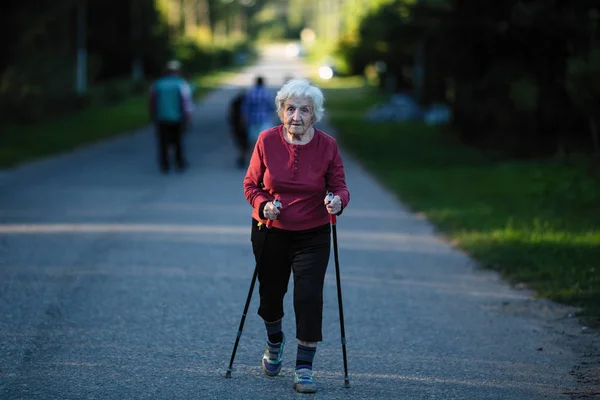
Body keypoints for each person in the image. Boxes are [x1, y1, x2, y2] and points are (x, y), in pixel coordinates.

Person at [243, 79, 350, 393]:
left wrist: (337, 201)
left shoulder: (327, 145)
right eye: (290, 108)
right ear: (281, 111)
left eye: (304, 110)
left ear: (314, 115)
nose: (296, 116)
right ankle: (274, 340)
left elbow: (340, 186)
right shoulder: (265, 140)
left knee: (308, 297)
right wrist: (263, 206)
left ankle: (304, 367)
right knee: (271, 296)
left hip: (313, 233)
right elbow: (251, 185)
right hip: (271, 231)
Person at [148, 60, 194, 173]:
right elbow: (186, 102)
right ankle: (179, 163)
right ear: (177, 71)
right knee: (178, 141)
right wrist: (188, 116)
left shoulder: (157, 84)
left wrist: (153, 115)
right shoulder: (181, 83)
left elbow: (152, 101)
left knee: (163, 142)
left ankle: (165, 164)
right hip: (177, 117)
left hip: (161, 117)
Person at [242, 76, 275, 147]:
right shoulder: (267, 93)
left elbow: (246, 107)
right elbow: (271, 107)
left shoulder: (250, 93)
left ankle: (255, 155)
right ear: (263, 83)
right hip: (265, 119)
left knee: (254, 140)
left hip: (252, 120)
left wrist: (245, 118)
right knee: (265, 138)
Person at [228, 90, 250, 169]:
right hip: (244, 125)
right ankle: (244, 157)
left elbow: (231, 116)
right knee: (245, 142)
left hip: (237, 126)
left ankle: (242, 157)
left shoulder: (235, 103)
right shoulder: (246, 103)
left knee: (241, 143)